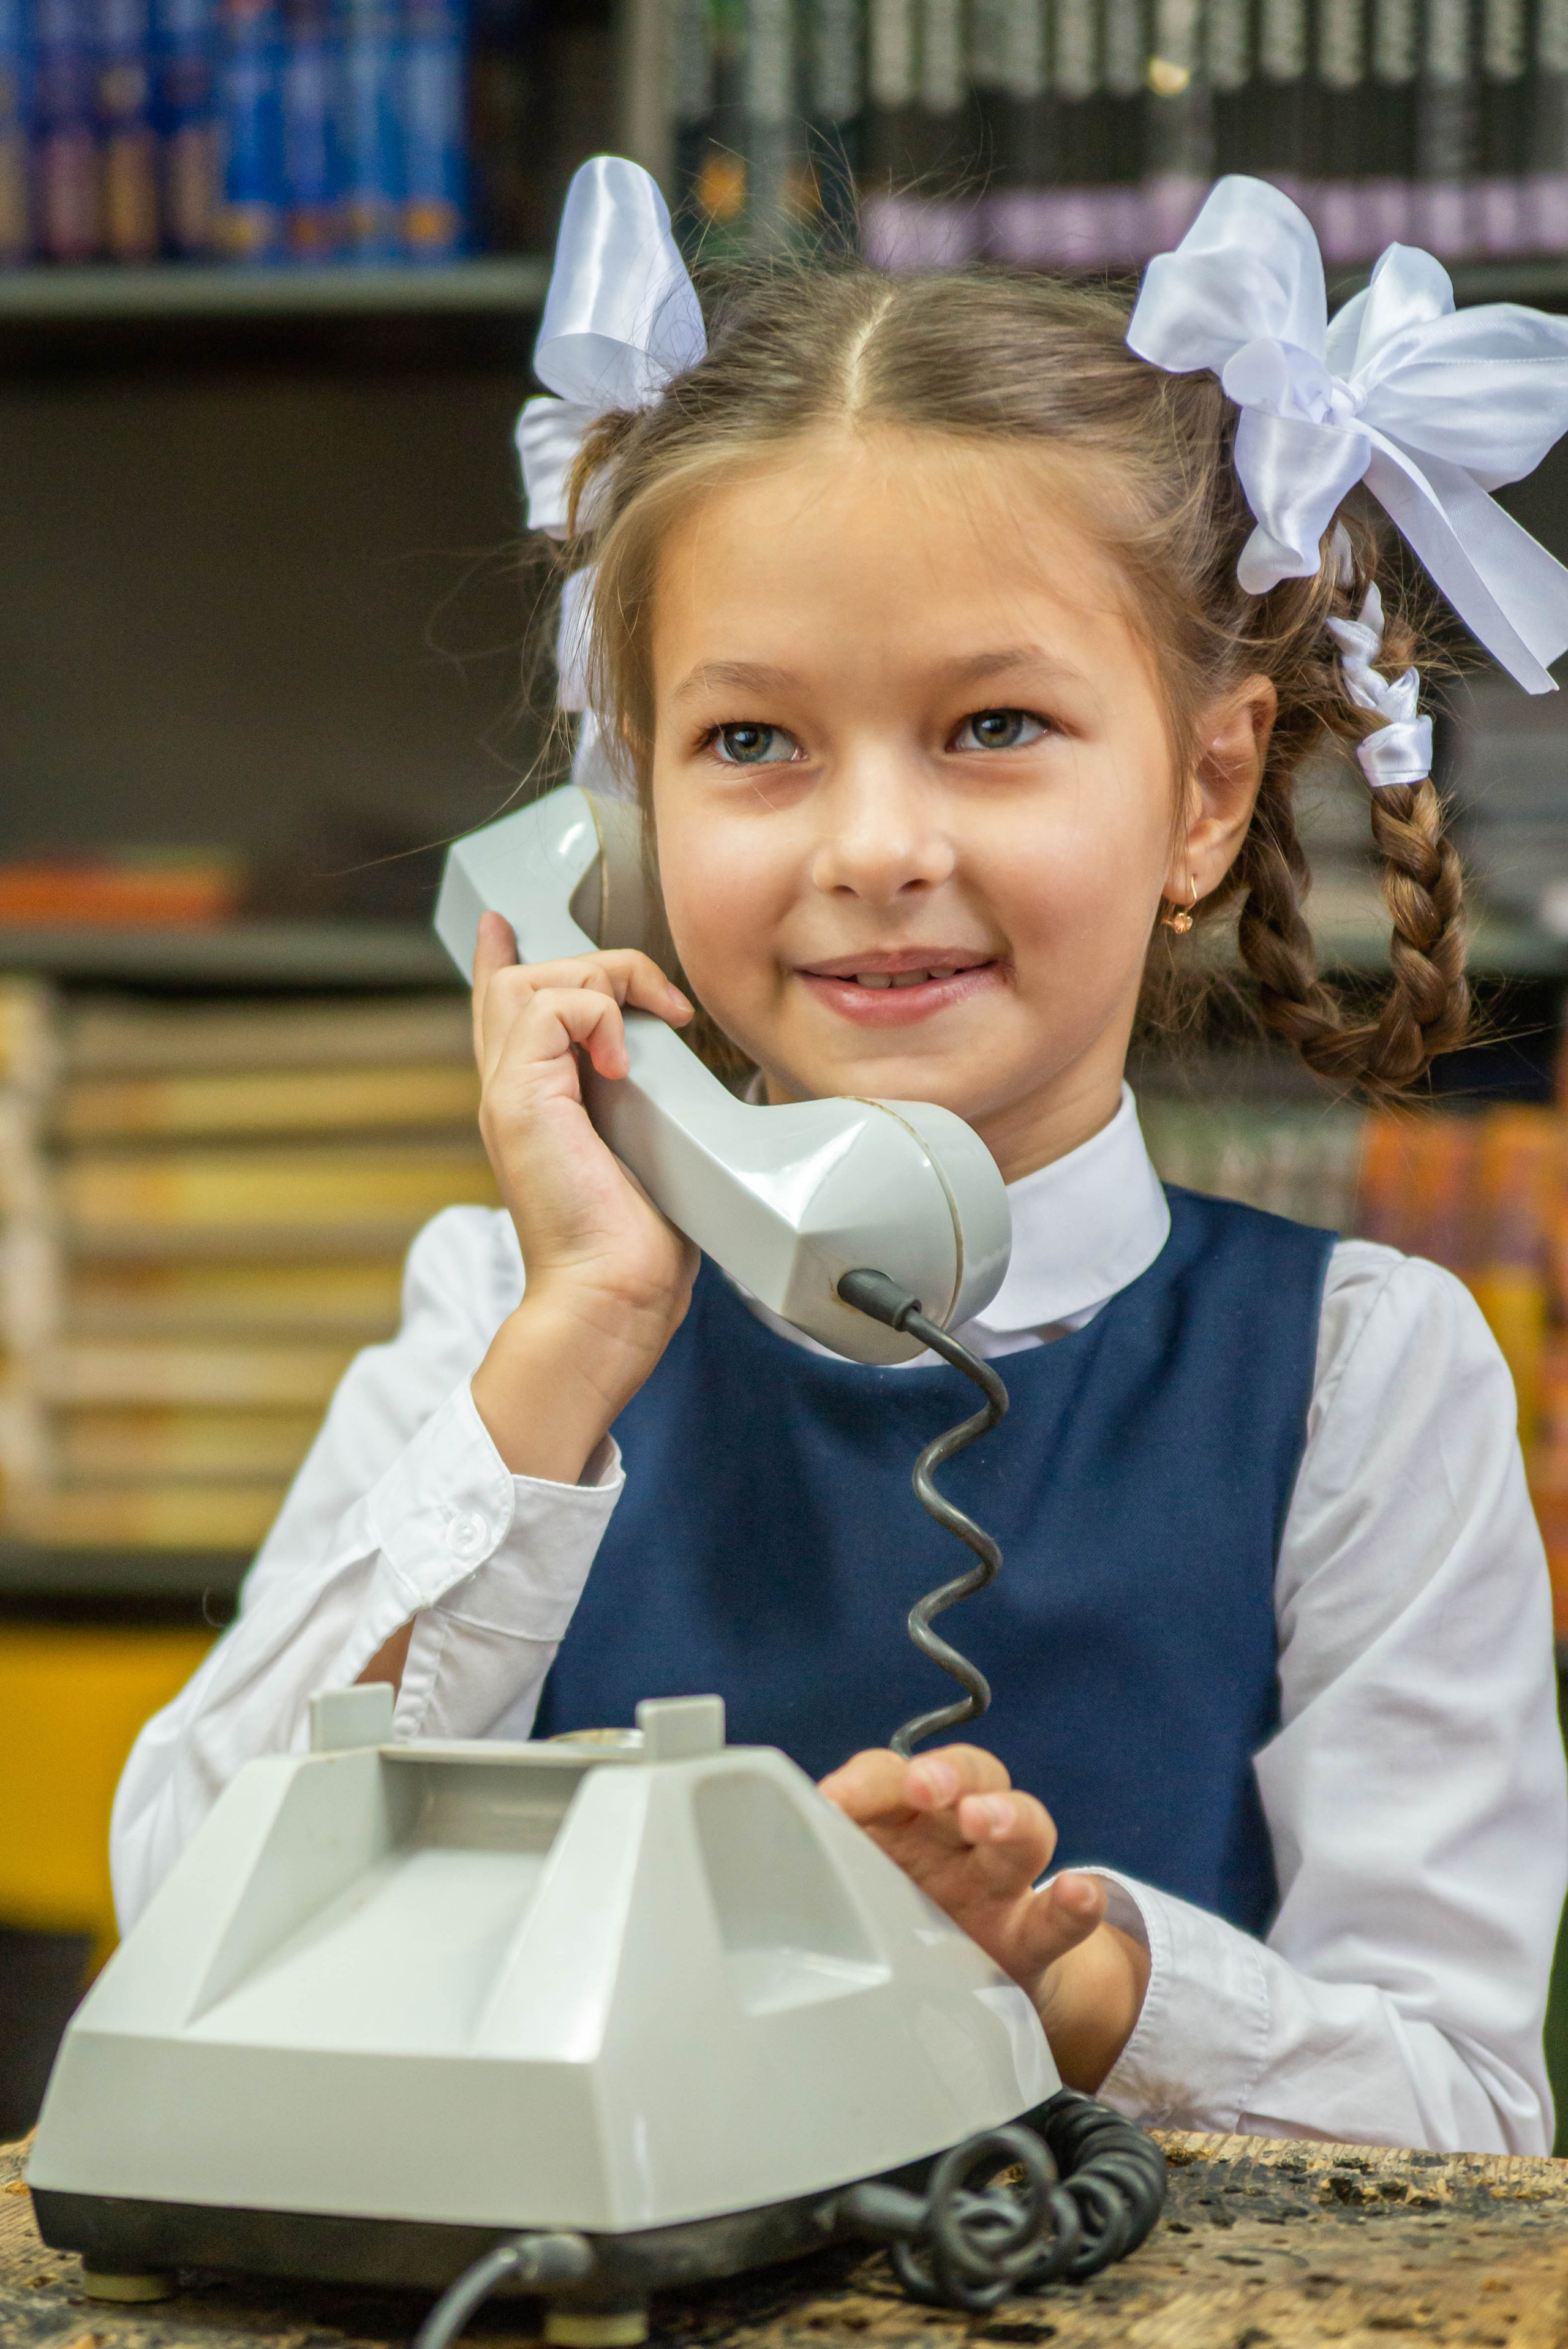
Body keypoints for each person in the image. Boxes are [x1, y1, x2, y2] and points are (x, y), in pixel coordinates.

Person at [113, 163, 1568, 2154]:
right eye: (751, 744)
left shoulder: (1360, 1371)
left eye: (991, 724)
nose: (871, 842)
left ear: (1212, 790)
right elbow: (188, 1921)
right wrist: (578, 1335)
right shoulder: (505, 1322)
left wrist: (1086, 1980)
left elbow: (1471, 2115)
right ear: (622, 799)